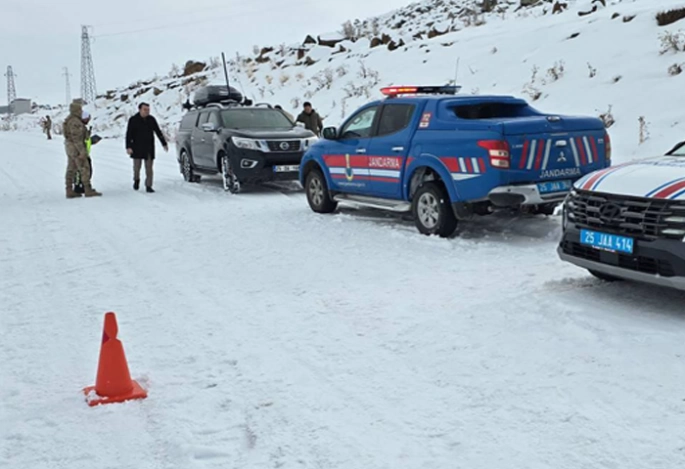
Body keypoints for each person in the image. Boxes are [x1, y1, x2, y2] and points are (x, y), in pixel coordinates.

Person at [125, 102, 168, 193]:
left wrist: (164, 143)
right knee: (137, 168)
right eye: (145, 109)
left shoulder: (151, 119)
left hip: (149, 148)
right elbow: (128, 134)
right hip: (136, 147)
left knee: (149, 168)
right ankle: (136, 180)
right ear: (140, 109)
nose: (147, 111)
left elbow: (158, 131)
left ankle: (149, 185)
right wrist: (128, 146)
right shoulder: (133, 120)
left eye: (148, 110)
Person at [63, 101, 101, 198]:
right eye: (80, 109)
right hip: (76, 149)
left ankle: (69, 190)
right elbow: (77, 138)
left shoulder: (69, 120)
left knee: (71, 169)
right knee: (84, 168)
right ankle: (87, 189)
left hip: (70, 147)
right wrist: (82, 151)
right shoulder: (75, 122)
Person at [74, 111, 102, 194]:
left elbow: (85, 141)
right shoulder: (79, 128)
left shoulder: (83, 127)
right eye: (87, 118)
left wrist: (91, 140)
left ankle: (82, 185)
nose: (89, 120)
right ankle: (78, 186)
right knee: (80, 170)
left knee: (87, 170)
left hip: (85, 153)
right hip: (80, 153)